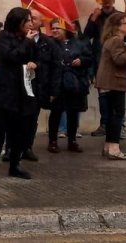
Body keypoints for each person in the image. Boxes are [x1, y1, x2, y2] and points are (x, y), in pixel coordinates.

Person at [0, 8, 37, 181]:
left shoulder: (29, 39)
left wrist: (34, 63)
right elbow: (10, 56)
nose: (30, 23)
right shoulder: (3, 37)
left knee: (20, 130)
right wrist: (27, 43)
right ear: (18, 21)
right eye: (27, 20)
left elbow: (37, 58)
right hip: (4, 90)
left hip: (22, 90)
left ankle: (15, 165)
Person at [95, 11, 126, 160]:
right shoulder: (116, 41)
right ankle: (114, 148)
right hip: (114, 83)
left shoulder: (112, 40)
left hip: (109, 82)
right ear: (117, 26)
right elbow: (119, 60)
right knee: (117, 115)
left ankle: (108, 146)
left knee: (112, 115)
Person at [47, 19, 91, 154]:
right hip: (57, 84)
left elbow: (89, 58)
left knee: (73, 112)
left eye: (57, 28)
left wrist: (82, 61)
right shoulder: (49, 44)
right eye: (52, 28)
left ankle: (72, 140)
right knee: (56, 112)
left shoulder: (78, 44)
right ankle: (52, 141)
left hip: (74, 84)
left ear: (66, 29)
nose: (54, 30)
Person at [26, 10, 61, 162]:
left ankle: (27, 147)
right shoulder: (18, 39)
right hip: (20, 85)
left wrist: (53, 90)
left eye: (34, 19)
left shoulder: (49, 42)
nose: (31, 21)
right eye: (28, 19)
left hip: (39, 86)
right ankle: (11, 148)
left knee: (32, 117)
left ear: (41, 22)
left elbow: (56, 67)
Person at [82, 0, 119, 137]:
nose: (107, 2)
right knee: (103, 94)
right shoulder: (96, 17)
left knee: (116, 94)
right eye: (104, 0)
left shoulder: (120, 16)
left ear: (114, 0)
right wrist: (93, 19)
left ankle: (118, 126)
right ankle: (104, 124)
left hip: (116, 58)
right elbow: (86, 36)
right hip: (100, 60)